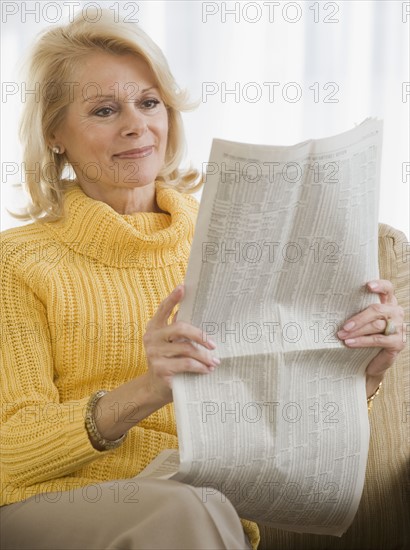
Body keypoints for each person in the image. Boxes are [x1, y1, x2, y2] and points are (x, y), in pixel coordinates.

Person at [0, 10, 405, 550]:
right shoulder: (18, 261)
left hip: (203, 503)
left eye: (149, 102)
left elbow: (276, 417)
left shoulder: (231, 240)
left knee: (200, 505)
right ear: (55, 135)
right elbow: (11, 447)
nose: (136, 125)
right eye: (104, 109)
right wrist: (147, 391)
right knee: (189, 510)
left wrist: (361, 376)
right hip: (49, 505)